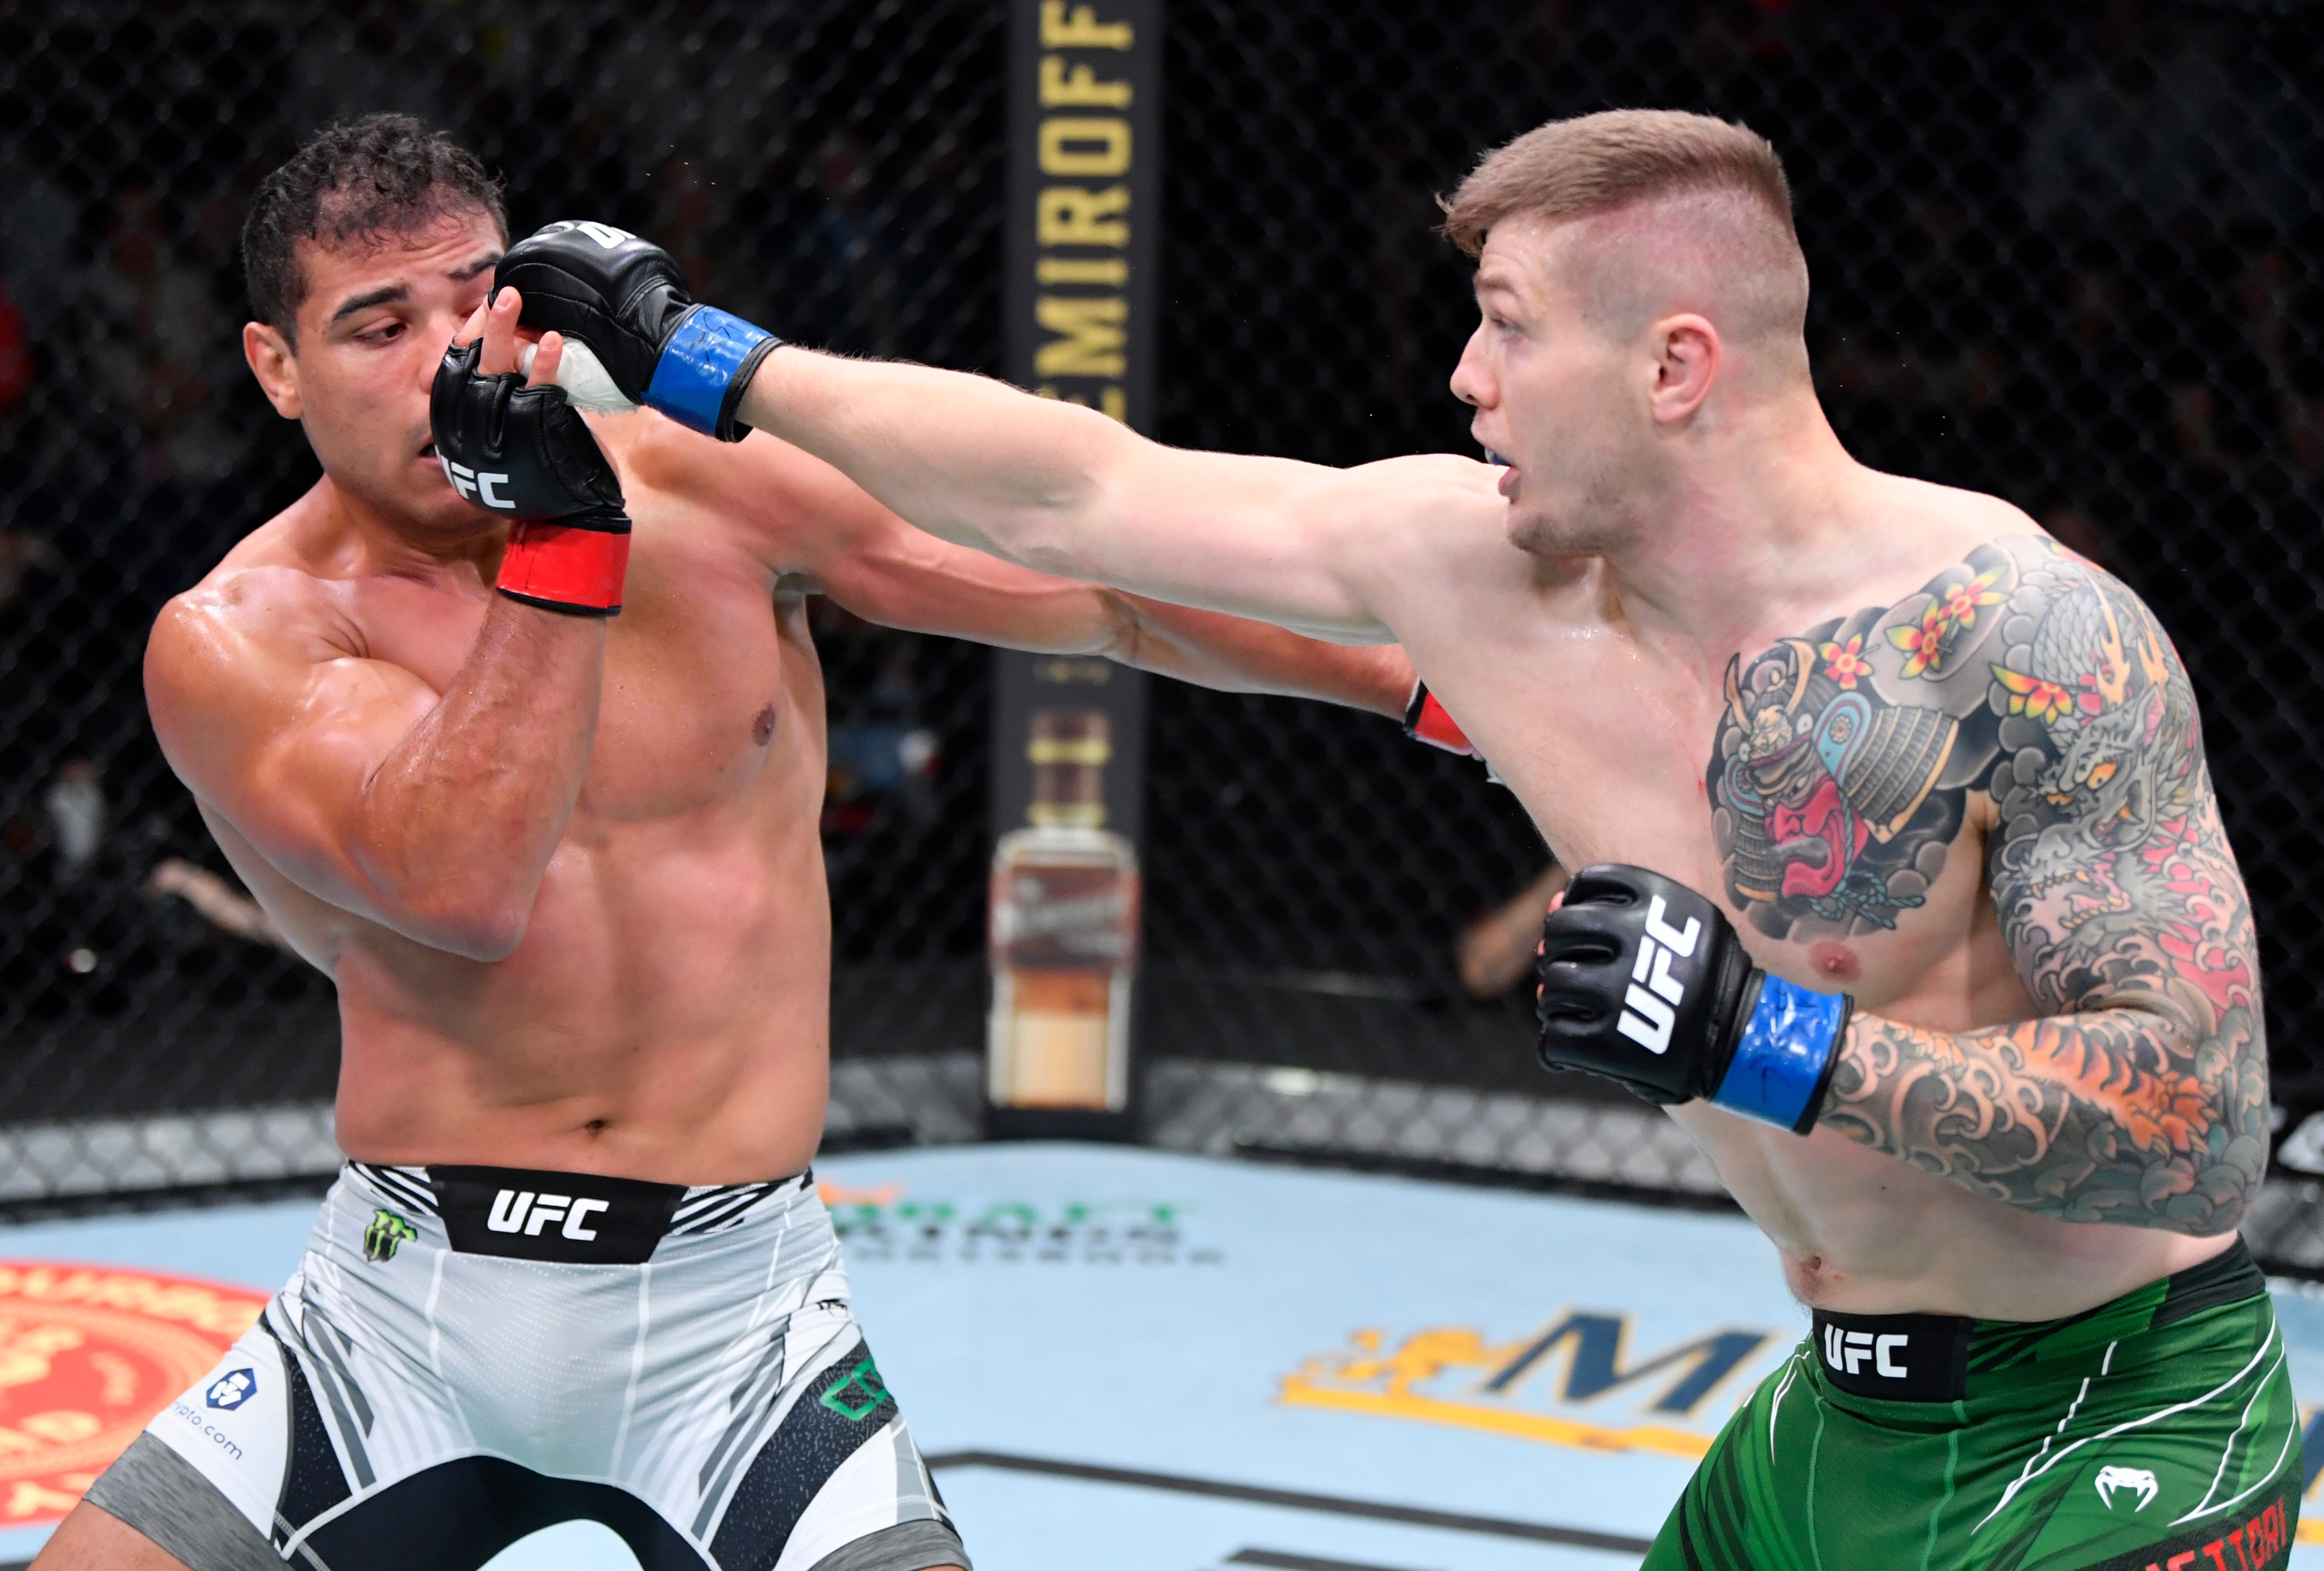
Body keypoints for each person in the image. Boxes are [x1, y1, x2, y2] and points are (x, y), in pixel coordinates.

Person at [513, 108, 2294, 1569]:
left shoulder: (2022, 635)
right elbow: (1081, 489)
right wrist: (704, 360)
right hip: (1848, 1399)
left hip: (2114, 1411)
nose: (1462, 377)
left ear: (1676, 365)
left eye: (1511, 325)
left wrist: (1769, 1037)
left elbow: (2197, 1123)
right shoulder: (1477, 572)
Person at [37, 115, 1417, 1571]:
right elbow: (463, 880)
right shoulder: (240, 636)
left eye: (474, 298)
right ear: (276, 368)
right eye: (378, 326)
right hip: (396, 1321)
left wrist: (1421, 687)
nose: (451, 357)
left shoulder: (711, 494)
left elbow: (1100, 585)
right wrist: (564, 535)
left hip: (734, 1322)